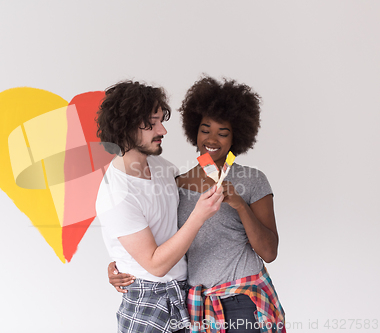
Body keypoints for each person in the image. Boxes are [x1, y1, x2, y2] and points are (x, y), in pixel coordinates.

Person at [109, 77, 285, 333]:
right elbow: (155, 239)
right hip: (195, 306)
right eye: (205, 130)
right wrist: (120, 267)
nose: (212, 139)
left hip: (243, 300)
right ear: (194, 131)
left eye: (223, 133)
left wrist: (239, 205)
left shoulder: (253, 180)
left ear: (236, 137)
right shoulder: (175, 182)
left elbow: (270, 252)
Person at [96, 80, 225, 333]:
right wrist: (199, 216)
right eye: (152, 123)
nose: (163, 130)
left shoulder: (163, 167)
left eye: (160, 121)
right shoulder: (116, 193)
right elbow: (155, 265)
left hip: (183, 294)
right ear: (125, 128)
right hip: (147, 303)